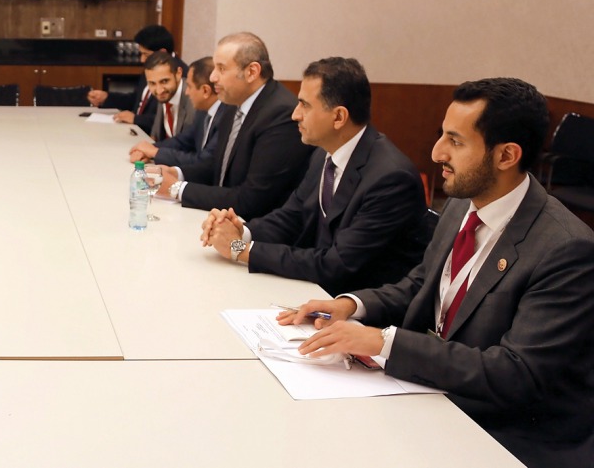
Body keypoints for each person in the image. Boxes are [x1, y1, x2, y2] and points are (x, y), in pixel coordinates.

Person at [281, 78, 594, 468]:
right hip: (435, 395)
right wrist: (352, 305)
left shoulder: (565, 248)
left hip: (507, 433)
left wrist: (383, 342)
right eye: (441, 136)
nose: (436, 152)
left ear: (507, 155)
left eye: (455, 141)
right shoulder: (463, 206)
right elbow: (422, 284)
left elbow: (514, 372)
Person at [200, 57, 428, 295]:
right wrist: (240, 230)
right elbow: (292, 217)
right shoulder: (323, 154)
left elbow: (336, 264)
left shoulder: (390, 178)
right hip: (316, 291)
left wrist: (239, 248)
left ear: (339, 117)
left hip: (359, 311)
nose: (295, 115)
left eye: (305, 105)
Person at [158, 32, 312, 219]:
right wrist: (175, 172)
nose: (213, 77)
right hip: (220, 218)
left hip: (255, 231)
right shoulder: (234, 102)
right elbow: (216, 164)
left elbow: (251, 200)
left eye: (221, 69)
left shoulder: (281, 115)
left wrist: (177, 189)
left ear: (252, 72)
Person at [128, 56, 224, 167]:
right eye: (152, 83)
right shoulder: (203, 111)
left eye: (189, 86)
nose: (159, 90)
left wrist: (156, 152)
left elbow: (203, 161)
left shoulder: (218, 114)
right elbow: (183, 140)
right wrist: (149, 149)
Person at [86, 24, 176, 132]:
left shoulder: (176, 75)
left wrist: (136, 119)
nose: (142, 60)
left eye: (146, 54)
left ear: (162, 52)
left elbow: (170, 118)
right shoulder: (151, 67)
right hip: (133, 130)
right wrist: (106, 98)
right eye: (141, 54)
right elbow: (136, 100)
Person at [139, 51, 195, 141]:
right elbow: (155, 136)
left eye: (164, 81)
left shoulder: (193, 100)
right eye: (152, 83)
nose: (159, 90)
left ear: (178, 74)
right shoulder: (165, 94)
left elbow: (188, 146)